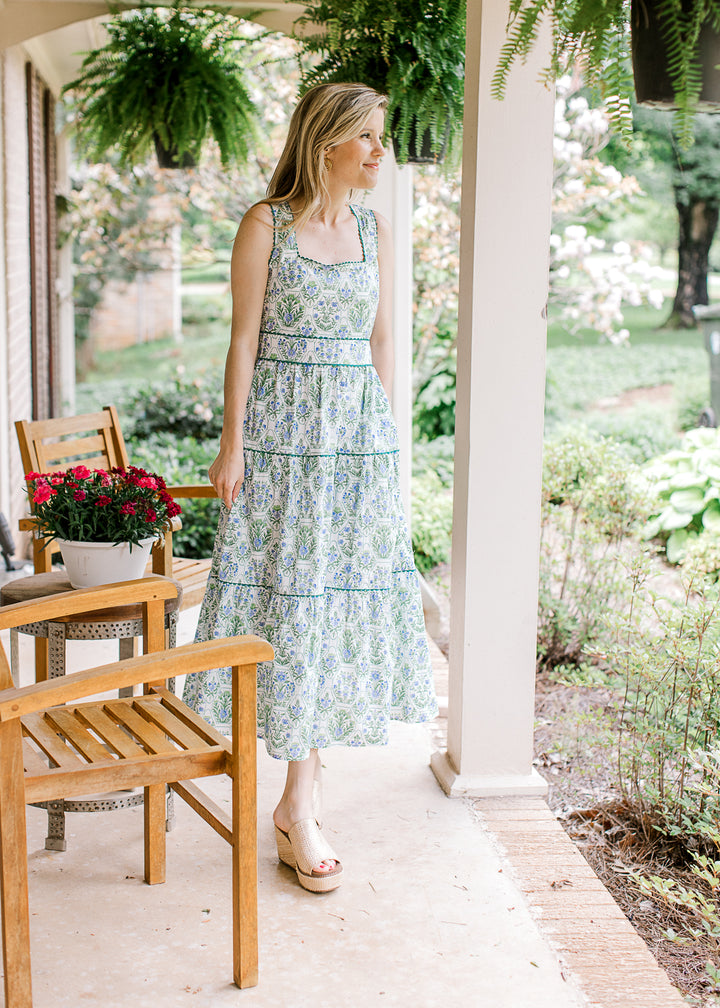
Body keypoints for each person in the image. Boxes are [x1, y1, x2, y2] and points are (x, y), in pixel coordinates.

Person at [183, 82, 438, 894]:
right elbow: (244, 340)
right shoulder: (267, 224)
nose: (379, 151)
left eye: (381, 137)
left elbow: (383, 342)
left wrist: (386, 445)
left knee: (333, 607)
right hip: (283, 441)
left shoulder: (374, 228)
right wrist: (232, 446)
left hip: (355, 446)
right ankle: (300, 801)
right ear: (325, 140)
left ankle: (302, 799)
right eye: (365, 136)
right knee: (290, 604)